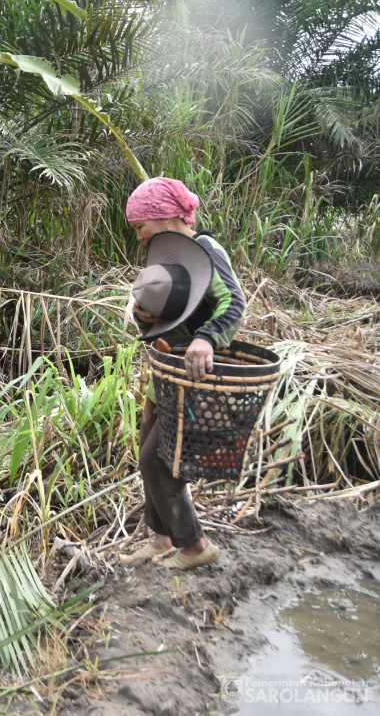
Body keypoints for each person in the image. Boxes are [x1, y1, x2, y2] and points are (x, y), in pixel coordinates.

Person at [121, 176, 245, 571]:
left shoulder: (206, 249)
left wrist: (207, 340)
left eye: (140, 227)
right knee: (148, 452)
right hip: (168, 379)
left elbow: (233, 302)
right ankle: (162, 540)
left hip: (197, 378)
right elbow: (169, 324)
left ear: (162, 217)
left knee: (158, 459)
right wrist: (146, 316)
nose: (139, 237)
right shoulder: (169, 262)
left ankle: (195, 547)